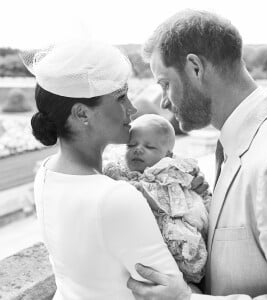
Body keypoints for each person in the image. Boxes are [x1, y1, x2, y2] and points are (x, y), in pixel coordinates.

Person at [127, 9, 267, 300]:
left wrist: (187, 299)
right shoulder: (237, 145)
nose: (165, 102)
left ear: (195, 68)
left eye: (166, 84)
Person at [24, 38, 193, 300]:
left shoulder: (46, 173)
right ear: (82, 114)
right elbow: (172, 293)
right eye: (121, 97)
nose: (132, 108)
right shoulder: (114, 197)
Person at [104, 114, 211, 283]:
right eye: (131, 145)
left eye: (150, 147)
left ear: (167, 154)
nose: (138, 149)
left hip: (172, 236)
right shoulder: (117, 169)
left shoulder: (172, 172)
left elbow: (187, 199)